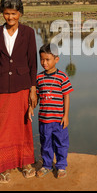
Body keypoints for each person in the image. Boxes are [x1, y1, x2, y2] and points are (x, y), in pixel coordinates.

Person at [0, 0, 38, 184]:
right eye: (6, 14)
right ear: (2, 13)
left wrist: (33, 89)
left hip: (22, 86)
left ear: (20, 13)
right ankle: (3, 167)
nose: (10, 18)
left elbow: (33, 62)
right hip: (0, 87)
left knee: (23, 127)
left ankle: (25, 163)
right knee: (1, 129)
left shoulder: (29, 33)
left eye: (14, 14)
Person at [35, 43, 73, 179]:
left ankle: (61, 166)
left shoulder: (62, 77)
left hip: (58, 119)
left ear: (56, 59)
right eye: (42, 59)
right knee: (45, 143)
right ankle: (46, 165)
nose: (44, 63)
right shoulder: (39, 78)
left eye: (47, 59)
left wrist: (66, 115)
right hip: (44, 120)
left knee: (61, 143)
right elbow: (36, 97)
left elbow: (66, 96)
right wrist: (30, 108)